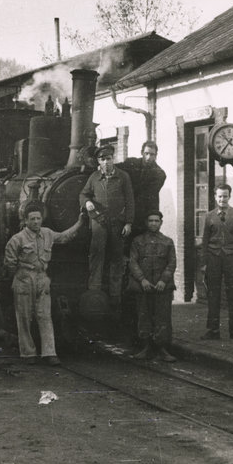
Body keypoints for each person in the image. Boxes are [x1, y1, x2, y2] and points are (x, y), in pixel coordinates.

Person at [4, 201, 86, 365]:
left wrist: (80, 222)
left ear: (42, 219)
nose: (36, 222)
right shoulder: (17, 239)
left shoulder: (47, 233)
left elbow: (64, 237)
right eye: (32, 219)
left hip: (42, 278)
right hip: (24, 279)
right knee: (24, 318)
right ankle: (28, 354)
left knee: (45, 317)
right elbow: (9, 263)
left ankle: (49, 353)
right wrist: (19, 278)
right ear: (25, 221)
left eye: (38, 218)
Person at [79, 144, 135, 305]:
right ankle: (94, 294)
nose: (106, 162)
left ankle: (115, 296)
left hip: (118, 224)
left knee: (117, 258)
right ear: (98, 161)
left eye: (109, 159)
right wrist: (87, 202)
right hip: (99, 224)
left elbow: (130, 200)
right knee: (97, 256)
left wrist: (129, 223)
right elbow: (83, 194)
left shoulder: (123, 176)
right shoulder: (94, 178)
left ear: (113, 159)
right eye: (102, 159)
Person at [127, 210, 177, 362]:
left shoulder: (168, 242)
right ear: (146, 223)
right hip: (144, 286)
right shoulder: (137, 241)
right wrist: (142, 280)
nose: (154, 223)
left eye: (156, 221)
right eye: (151, 221)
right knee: (144, 315)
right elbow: (133, 262)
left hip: (162, 287)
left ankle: (162, 349)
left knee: (163, 317)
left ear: (161, 223)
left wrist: (163, 280)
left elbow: (172, 263)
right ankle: (146, 347)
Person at [200, 184, 233, 340]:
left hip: (231, 259)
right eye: (219, 196)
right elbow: (205, 241)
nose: (222, 199)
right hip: (213, 258)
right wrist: (205, 262)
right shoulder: (209, 216)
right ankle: (213, 330)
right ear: (215, 197)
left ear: (229, 196)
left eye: (225, 196)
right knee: (213, 295)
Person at [120, 141, 167, 239]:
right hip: (127, 213)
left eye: (152, 154)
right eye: (146, 153)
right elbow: (115, 169)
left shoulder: (159, 174)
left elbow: (144, 194)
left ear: (156, 156)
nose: (149, 157)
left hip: (145, 213)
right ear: (142, 153)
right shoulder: (131, 163)